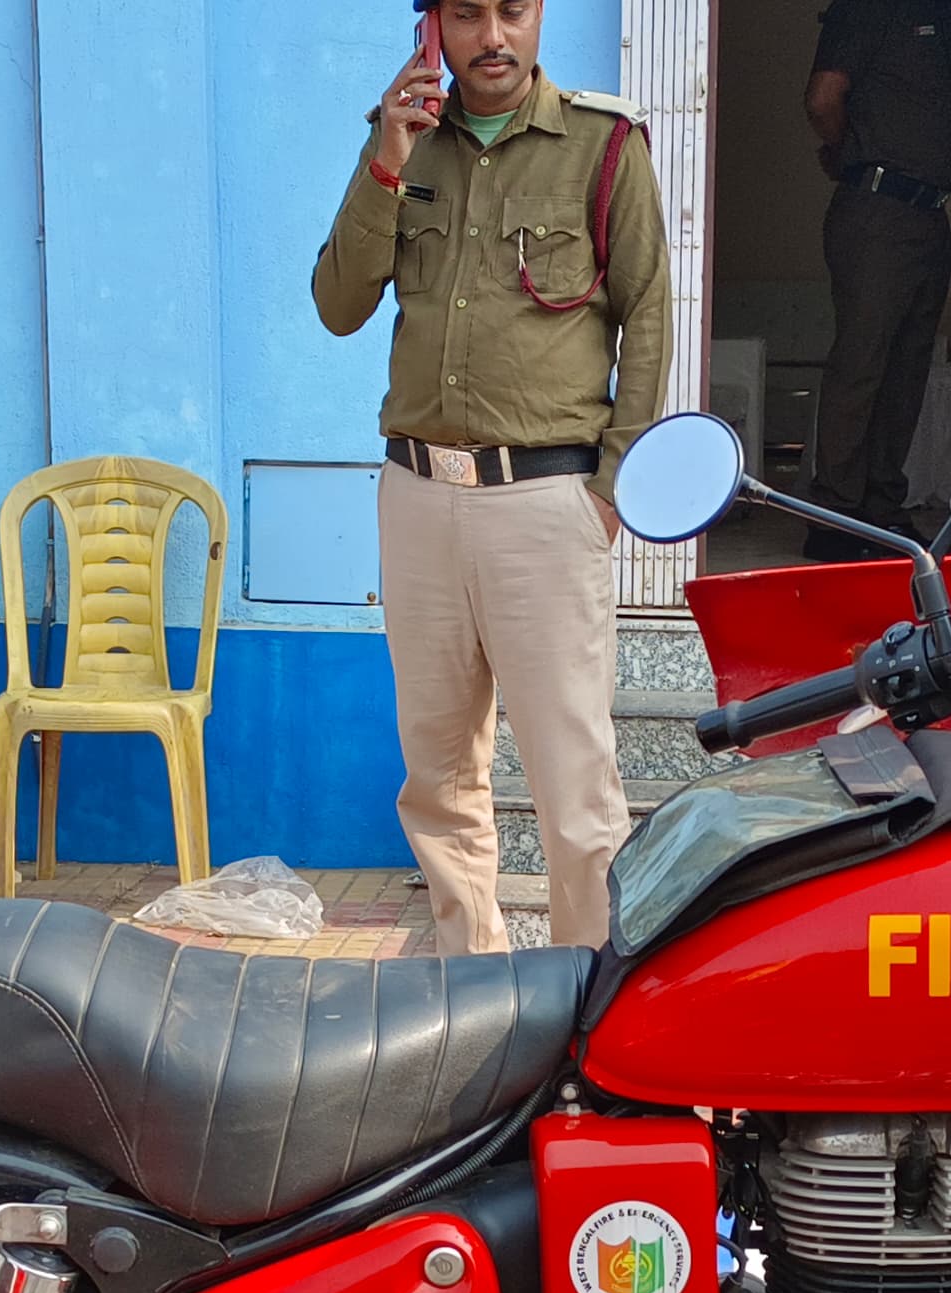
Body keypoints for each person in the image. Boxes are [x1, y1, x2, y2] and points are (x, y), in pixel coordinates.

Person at [313, 0, 669, 957]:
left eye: (514, 10)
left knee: (575, 794)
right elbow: (338, 305)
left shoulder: (603, 145)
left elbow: (649, 318)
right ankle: (466, 1009)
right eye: (467, 14)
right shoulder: (402, 144)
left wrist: (611, 490)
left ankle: (587, 1022)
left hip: (545, 503)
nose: (493, 37)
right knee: (439, 782)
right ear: (433, 27)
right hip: (419, 499)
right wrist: (385, 160)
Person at [802, 0, 951, 560]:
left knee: (906, 369)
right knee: (863, 362)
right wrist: (847, 151)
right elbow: (824, 98)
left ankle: (879, 509)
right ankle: (834, 517)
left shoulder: (941, 13)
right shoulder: (870, 7)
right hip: (879, 207)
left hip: (930, 212)